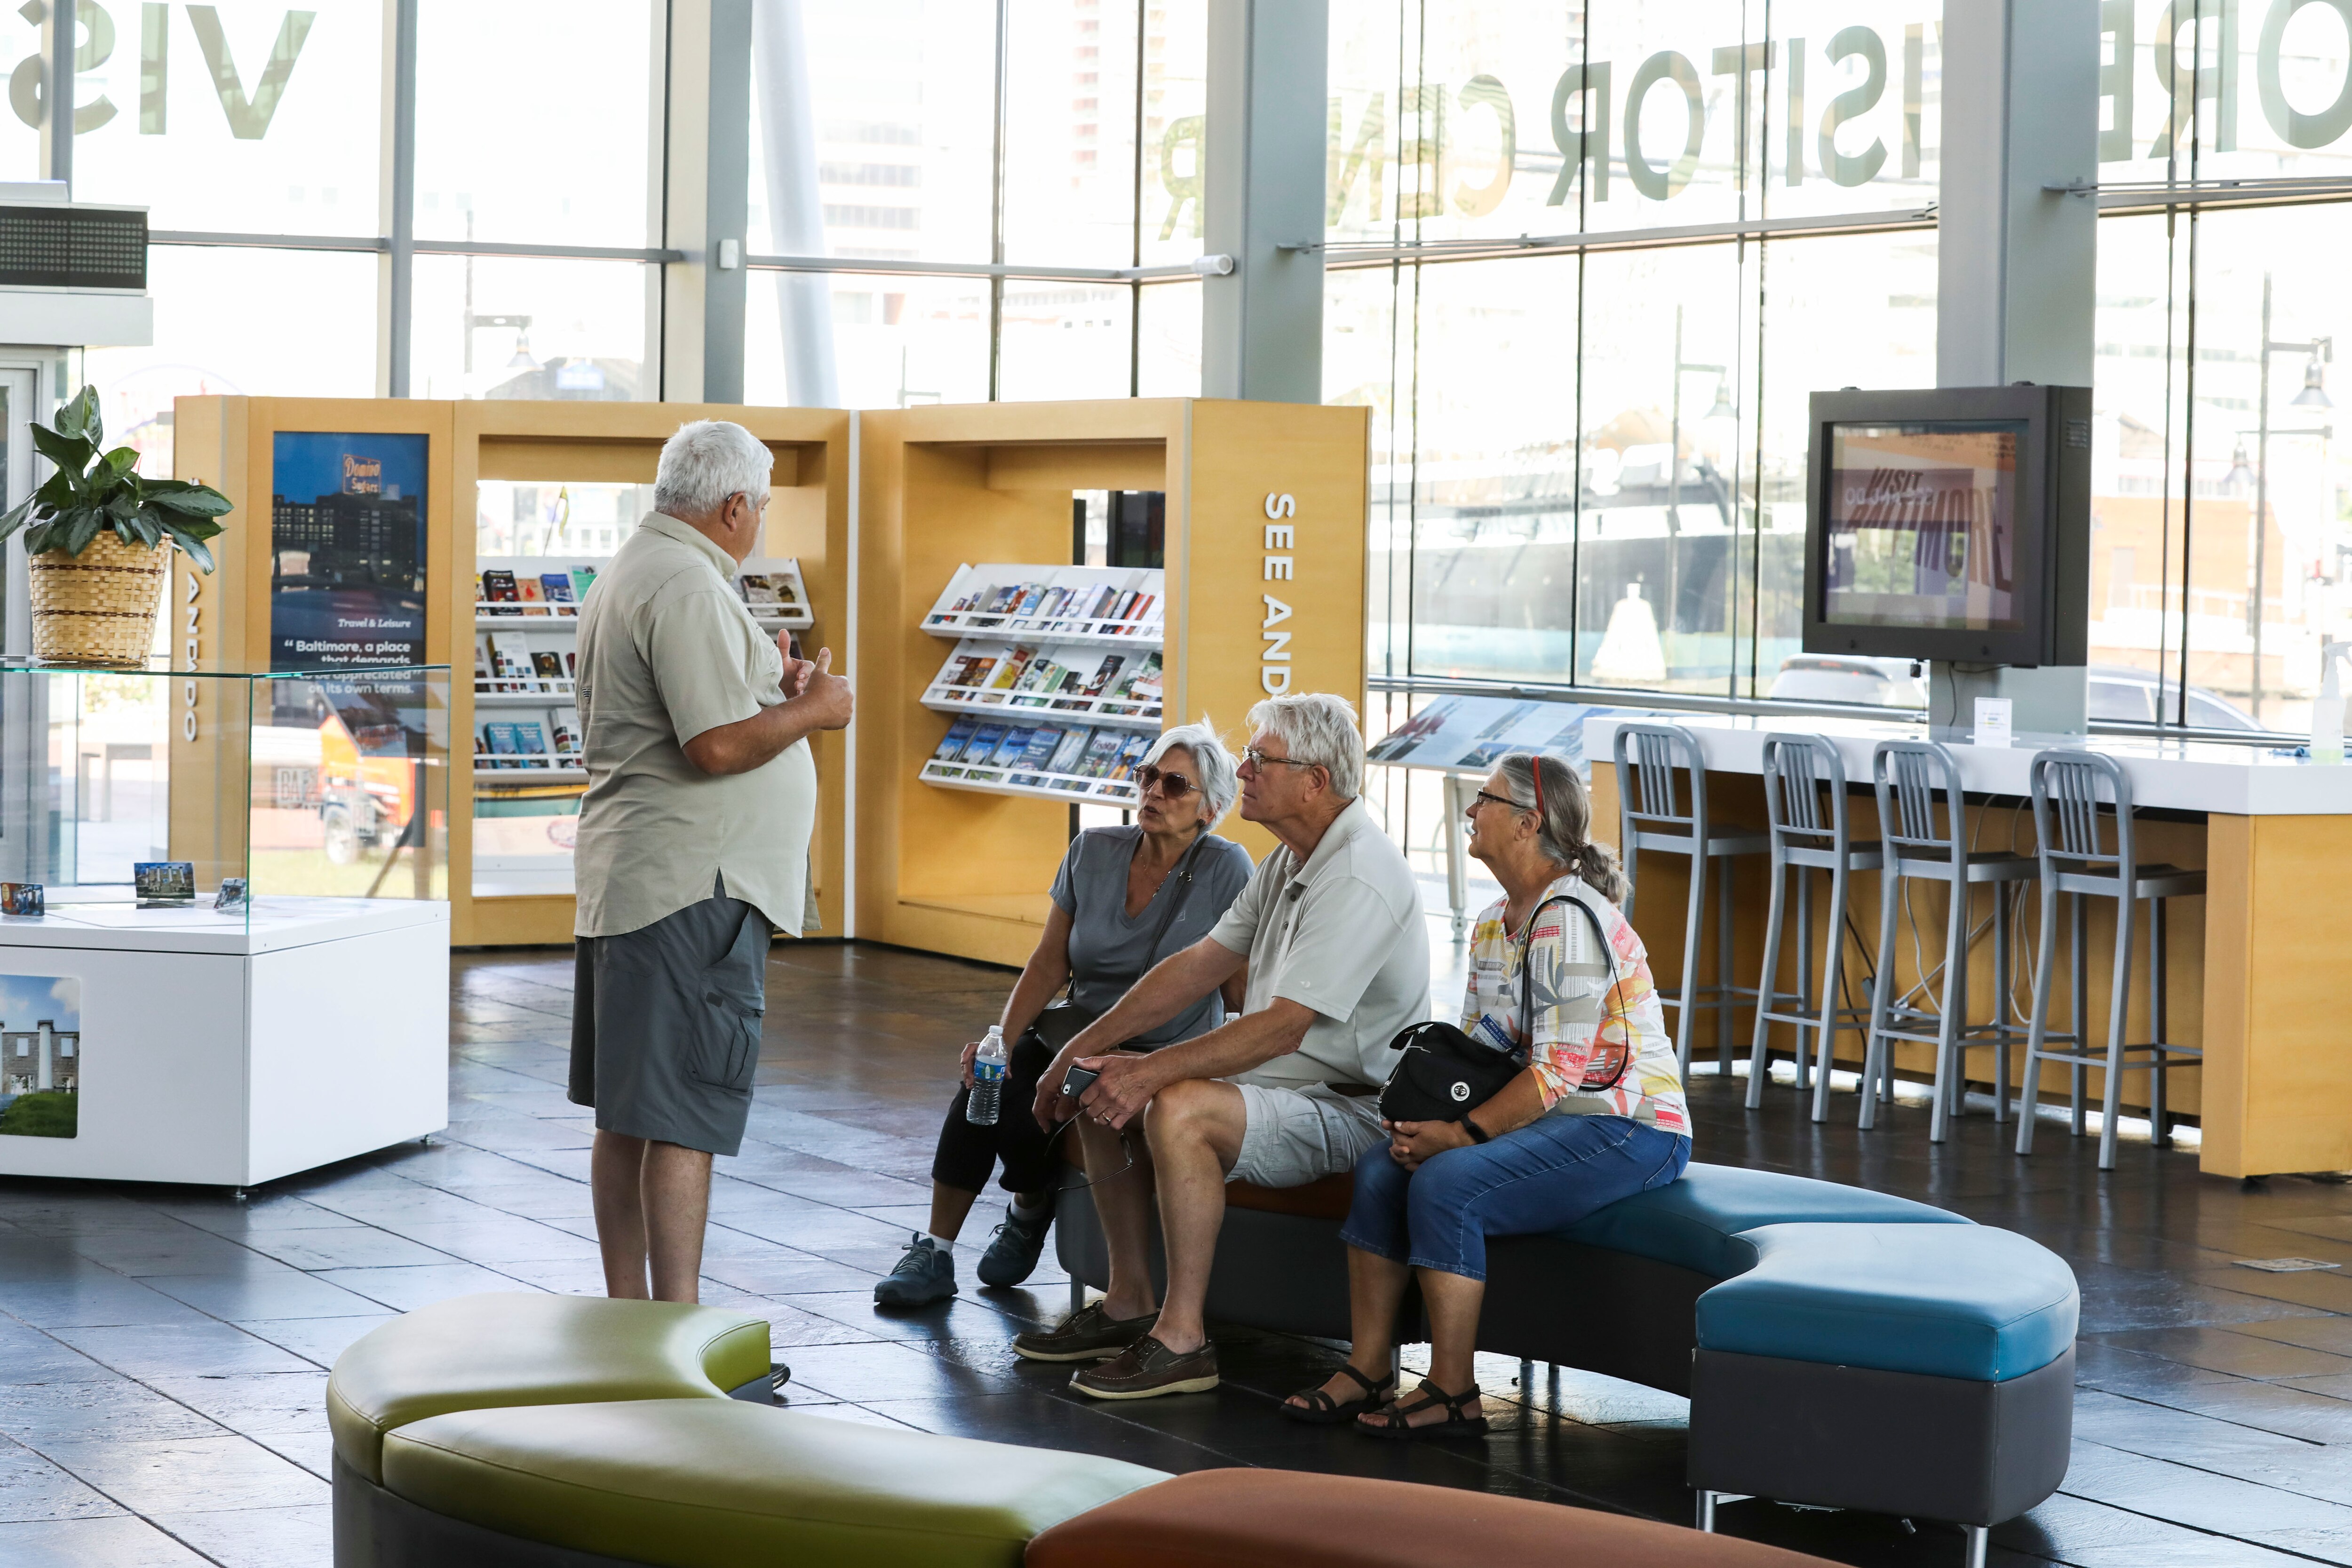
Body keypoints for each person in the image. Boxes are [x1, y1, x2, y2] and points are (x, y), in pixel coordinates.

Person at [1018, 692, 1432, 1401]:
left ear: (1314, 782)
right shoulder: (1289, 861)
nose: (1242, 771)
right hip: (1289, 1086)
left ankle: (1182, 1340)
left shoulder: (1358, 871)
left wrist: (1150, 1070)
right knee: (1100, 1082)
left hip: (1353, 1106)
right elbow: (1198, 966)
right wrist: (1077, 1052)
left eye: (1260, 760)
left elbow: (1283, 1025)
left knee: (1175, 1106)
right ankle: (1128, 1302)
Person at [1281, 753, 1689, 1438]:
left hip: (1631, 1128)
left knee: (1448, 1183)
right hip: (1554, 1119)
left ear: (1529, 823)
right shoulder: (1497, 922)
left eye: (1485, 800)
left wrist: (1461, 1135)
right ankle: (1369, 1366)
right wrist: (1420, 1117)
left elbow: (1558, 1073)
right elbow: (1483, 1049)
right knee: (1384, 1166)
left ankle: (1452, 1389)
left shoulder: (1568, 918)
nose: (1471, 811)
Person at [569, 419, 854, 1305]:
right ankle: (677, 1332)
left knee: (630, 1116)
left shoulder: (633, 568)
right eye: (761, 507)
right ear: (733, 506)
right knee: (685, 1113)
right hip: (695, 886)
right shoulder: (689, 584)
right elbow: (717, 748)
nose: (762, 521)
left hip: (643, 880)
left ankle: (633, 1321)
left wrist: (778, 693)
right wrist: (821, 709)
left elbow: (707, 719)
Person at [875, 723, 1254, 1305]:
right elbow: (1048, 963)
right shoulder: (1093, 850)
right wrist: (996, 1039)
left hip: (1159, 1053)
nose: (1153, 792)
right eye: (1147, 776)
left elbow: (1239, 991)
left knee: (1068, 1100)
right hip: (1073, 1033)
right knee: (987, 1083)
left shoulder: (1228, 869)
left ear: (1211, 808)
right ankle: (937, 1250)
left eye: (1174, 784)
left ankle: (1028, 1210)